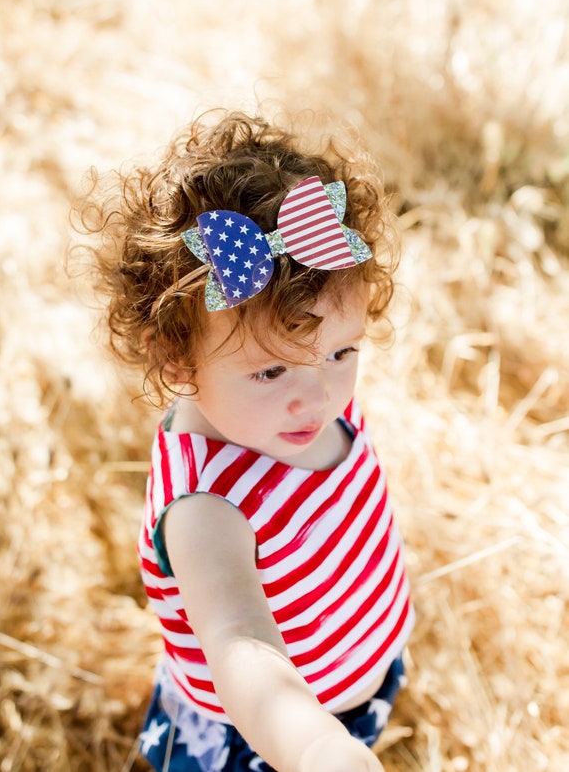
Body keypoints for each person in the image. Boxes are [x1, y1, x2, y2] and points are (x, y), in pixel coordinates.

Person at [79, 109, 415, 772]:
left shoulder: (299, 405)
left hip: (349, 684)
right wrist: (316, 745)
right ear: (176, 360)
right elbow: (240, 641)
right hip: (271, 740)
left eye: (342, 352)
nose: (319, 396)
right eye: (270, 369)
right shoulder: (206, 506)